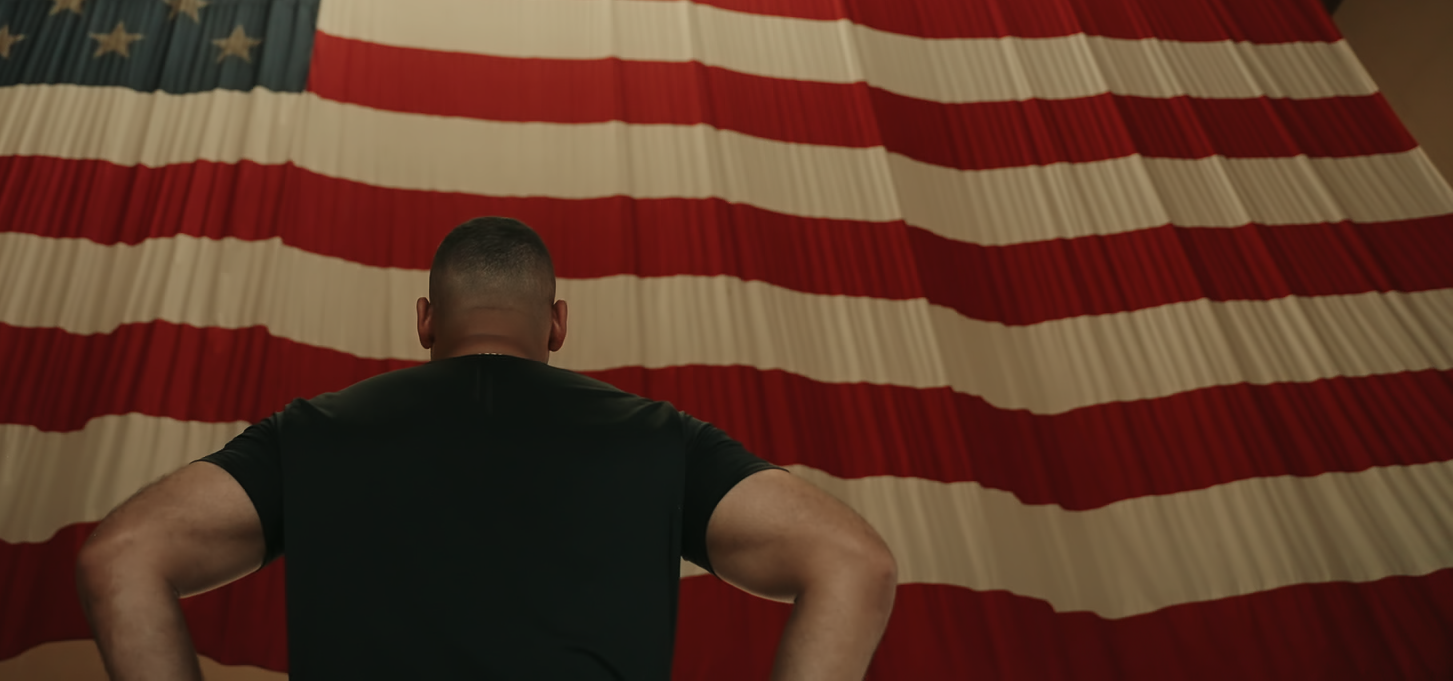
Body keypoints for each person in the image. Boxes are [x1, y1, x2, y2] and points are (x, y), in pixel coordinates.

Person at [77, 216, 897, 680]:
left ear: (426, 319)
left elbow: (121, 553)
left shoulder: (313, 432)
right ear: (558, 323)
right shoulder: (660, 438)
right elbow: (855, 562)